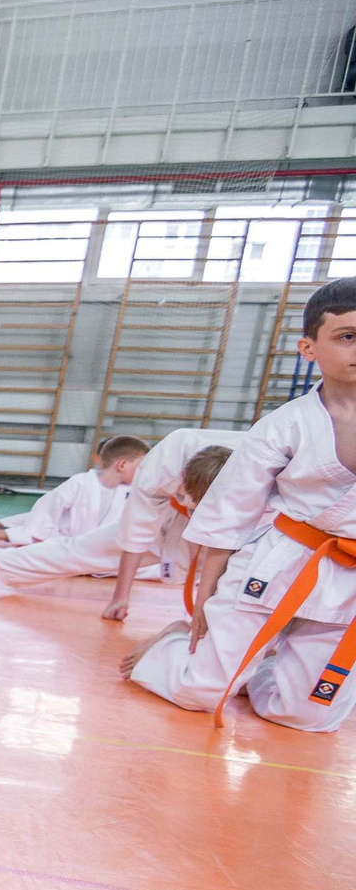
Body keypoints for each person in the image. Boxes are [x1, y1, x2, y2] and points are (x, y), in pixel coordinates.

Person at [123, 277, 356, 731]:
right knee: (201, 693)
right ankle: (168, 650)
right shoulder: (285, 425)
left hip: (345, 580)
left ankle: (255, 670)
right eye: (347, 337)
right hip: (275, 565)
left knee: (307, 715)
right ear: (308, 348)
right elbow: (230, 514)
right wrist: (205, 600)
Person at [0, 437, 212, 600]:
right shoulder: (157, 475)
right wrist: (122, 596)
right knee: (55, 551)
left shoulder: (135, 491)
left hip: (119, 563)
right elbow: (44, 520)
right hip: (79, 546)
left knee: (187, 576)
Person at [100, 426, 236, 622]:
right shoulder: (160, 468)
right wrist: (120, 597)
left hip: (232, 510)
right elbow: (135, 535)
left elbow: (222, 542)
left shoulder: (258, 475)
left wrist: (203, 603)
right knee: (94, 548)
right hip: (169, 505)